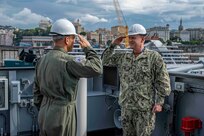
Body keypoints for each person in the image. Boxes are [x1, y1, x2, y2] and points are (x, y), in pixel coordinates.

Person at [33, 18, 102, 136]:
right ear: (67, 39)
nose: (74, 41)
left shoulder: (42, 60)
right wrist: (88, 48)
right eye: (73, 38)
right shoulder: (68, 61)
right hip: (62, 114)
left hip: (44, 113)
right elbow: (97, 68)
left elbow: (36, 92)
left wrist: (45, 108)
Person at [102, 24, 171, 136]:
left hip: (144, 110)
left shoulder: (154, 57)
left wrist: (159, 102)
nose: (130, 40)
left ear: (142, 39)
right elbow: (105, 61)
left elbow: (163, 81)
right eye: (129, 38)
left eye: (133, 38)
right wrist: (113, 44)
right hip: (126, 108)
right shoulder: (123, 57)